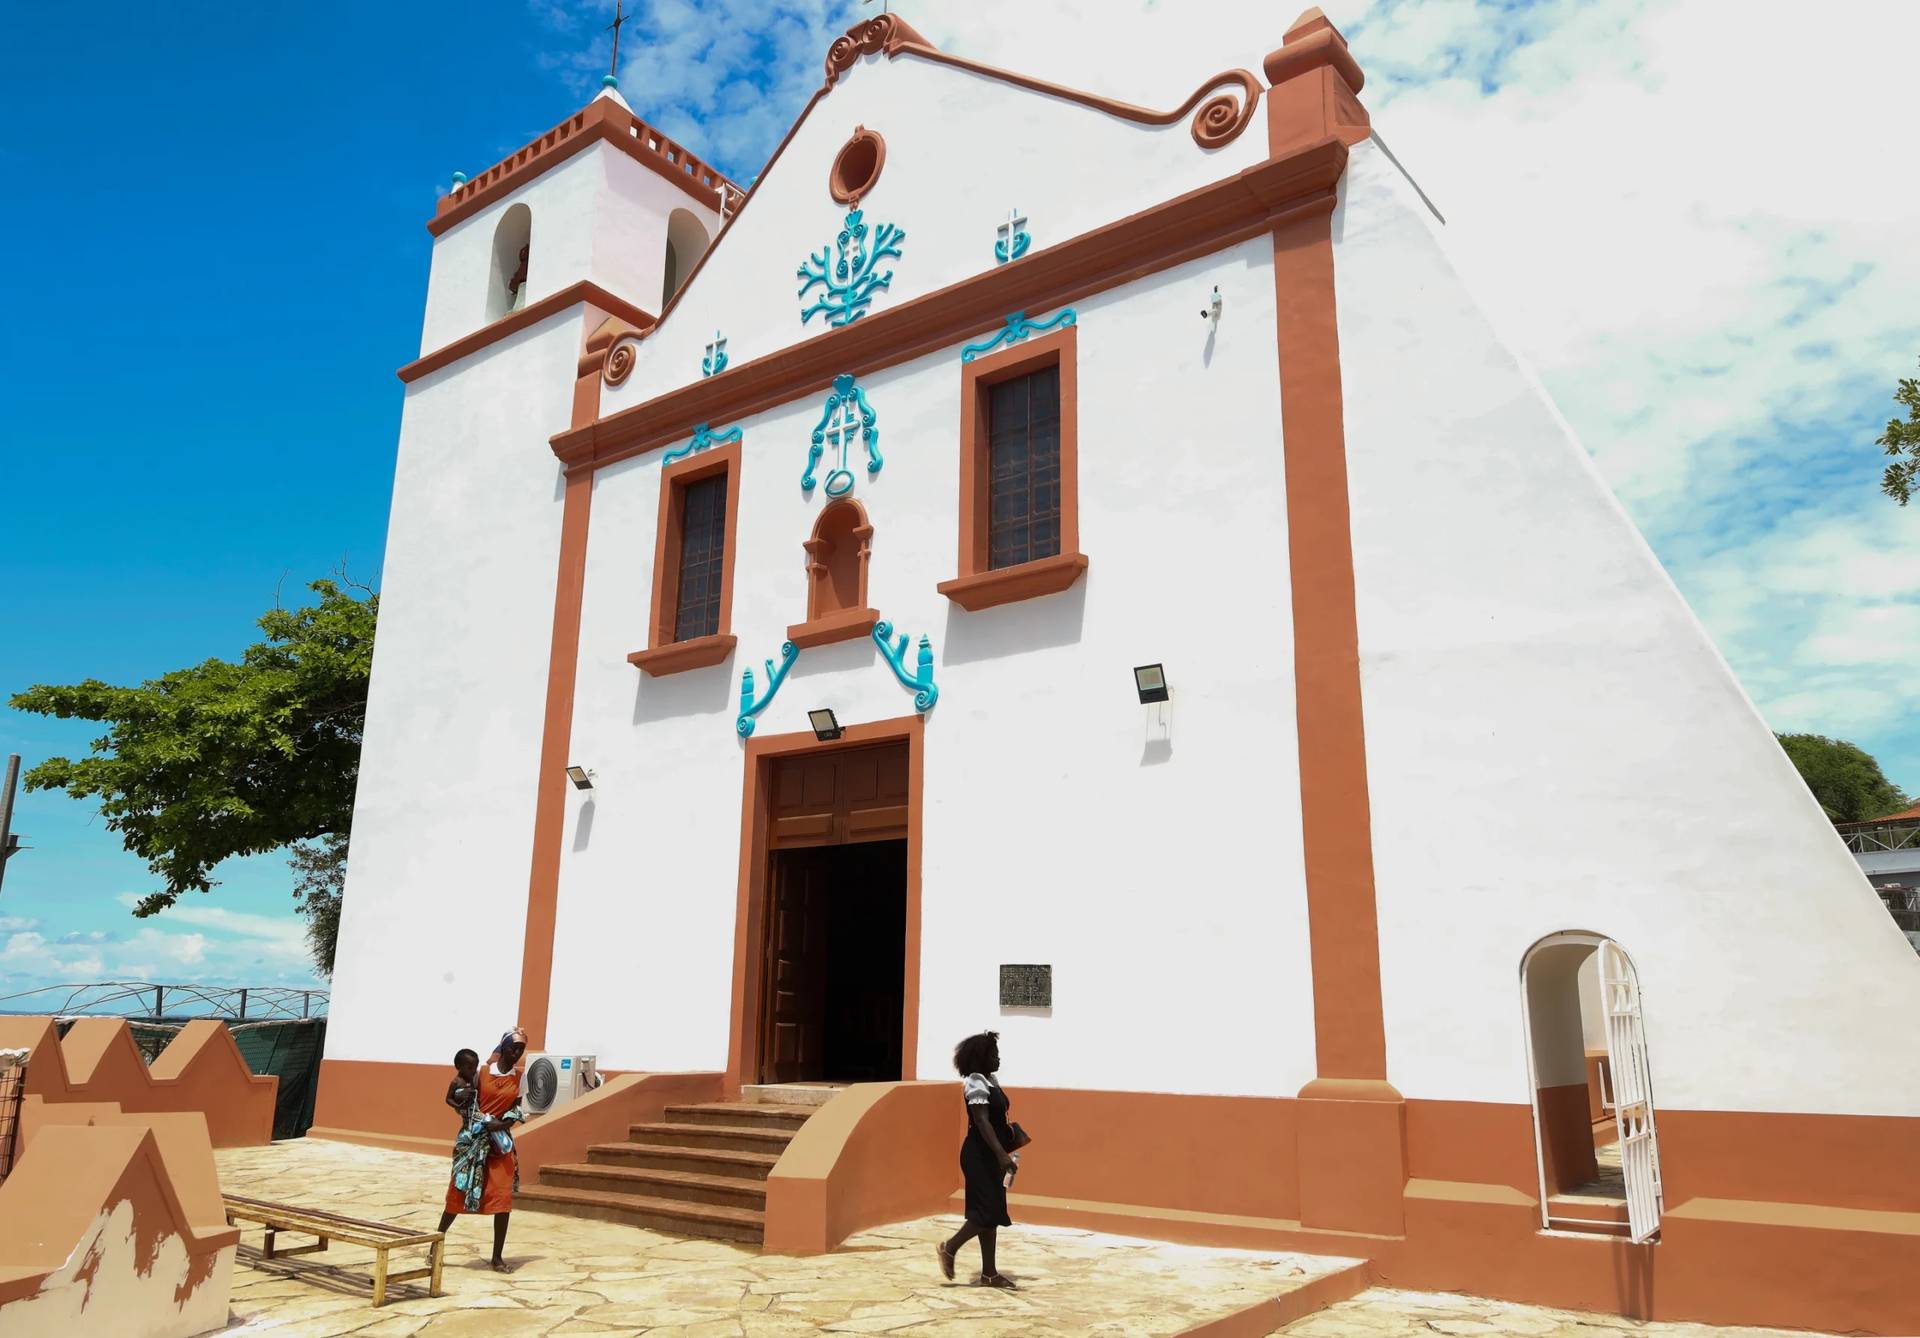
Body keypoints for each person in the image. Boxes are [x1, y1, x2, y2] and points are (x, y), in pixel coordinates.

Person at [936, 1030, 1021, 1289]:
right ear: (980, 1058)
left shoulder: (990, 1080)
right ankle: (949, 1248)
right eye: (993, 1054)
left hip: (991, 1154)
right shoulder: (976, 1083)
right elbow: (982, 1122)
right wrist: (1001, 1155)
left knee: (991, 1212)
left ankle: (990, 1273)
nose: (998, 1059)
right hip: (979, 1155)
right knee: (987, 1211)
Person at [437, 1029, 527, 1272]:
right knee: (457, 1192)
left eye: (520, 1049)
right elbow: (463, 1102)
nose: (517, 1053)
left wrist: (504, 1123)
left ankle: (497, 1257)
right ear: (503, 1048)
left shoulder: (520, 1078)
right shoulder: (482, 1073)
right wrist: (467, 1108)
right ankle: (435, 1245)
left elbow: (518, 1109)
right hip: (474, 1142)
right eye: (513, 1048)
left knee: (502, 1197)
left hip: (500, 1144)